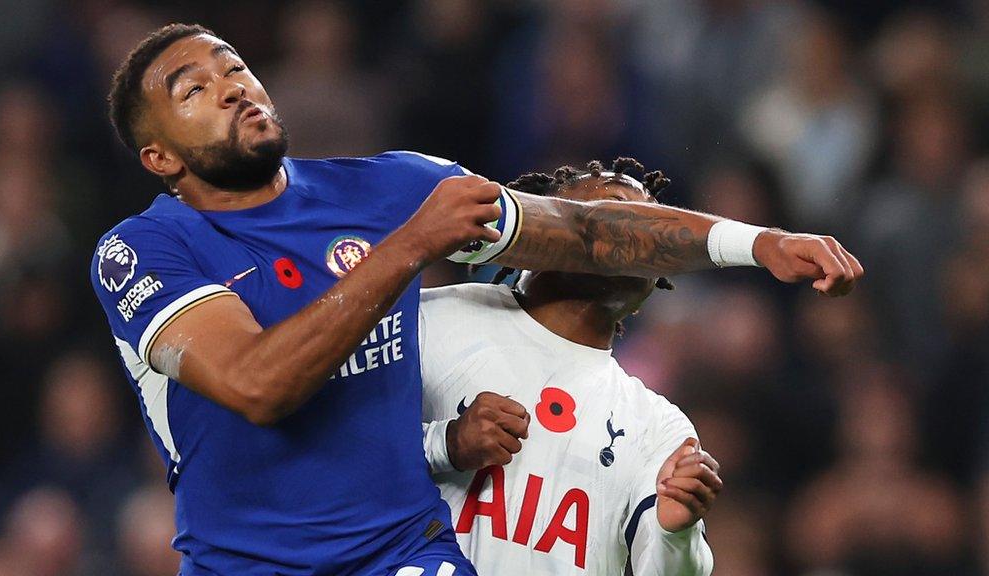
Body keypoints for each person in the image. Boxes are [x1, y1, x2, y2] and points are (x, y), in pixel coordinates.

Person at [90, 23, 862, 576]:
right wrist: (409, 246)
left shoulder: (390, 187)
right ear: (159, 155)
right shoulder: (144, 251)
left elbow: (587, 236)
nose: (231, 89)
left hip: (404, 556)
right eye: (194, 90)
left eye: (235, 69)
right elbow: (260, 386)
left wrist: (753, 243)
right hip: (249, 564)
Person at [420, 159, 718, 575]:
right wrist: (445, 442)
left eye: (653, 234)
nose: (638, 240)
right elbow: (326, 450)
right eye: (614, 214)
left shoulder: (660, 428)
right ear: (543, 230)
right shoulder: (431, 320)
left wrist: (676, 533)